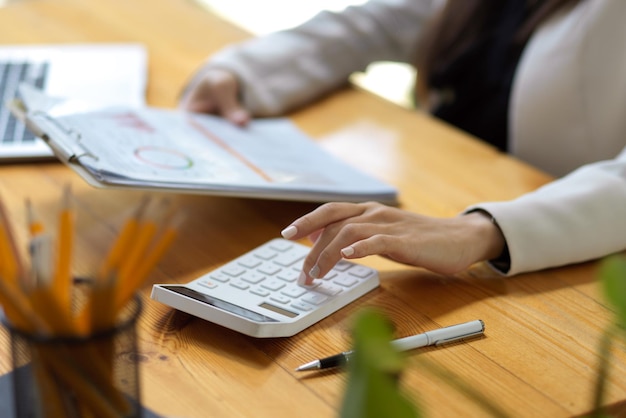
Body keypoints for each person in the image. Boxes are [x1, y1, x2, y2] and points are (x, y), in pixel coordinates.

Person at [180, 0, 626, 284]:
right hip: (440, 187)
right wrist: (244, 72)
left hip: (561, 254)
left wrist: (481, 230)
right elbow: (377, 23)